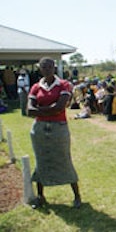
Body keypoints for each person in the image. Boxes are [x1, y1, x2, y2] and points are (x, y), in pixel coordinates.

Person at [27, 57, 81, 209]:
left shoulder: (64, 85)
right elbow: (28, 110)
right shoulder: (36, 87)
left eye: (50, 66)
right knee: (41, 160)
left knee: (64, 159)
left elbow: (60, 107)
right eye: (44, 67)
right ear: (40, 69)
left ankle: (77, 196)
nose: (47, 69)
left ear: (54, 67)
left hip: (59, 127)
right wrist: (50, 108)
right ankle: (40, 196)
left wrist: (41, 109)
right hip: (39, 129)